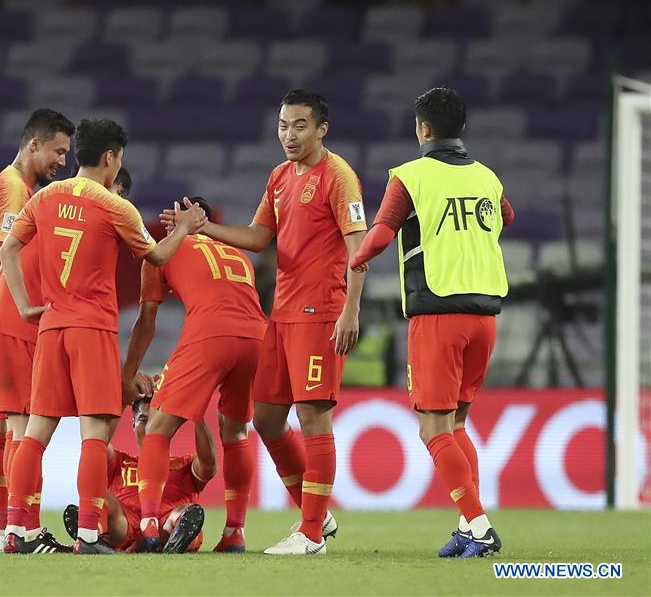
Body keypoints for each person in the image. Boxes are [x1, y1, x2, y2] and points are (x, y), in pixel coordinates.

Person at [161, 89, 368, 555]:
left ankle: (311, 532)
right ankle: (315, 512)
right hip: (282, 314)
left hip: (321, 311)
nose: (289, 135)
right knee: (268, 419)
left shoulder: (338, 178)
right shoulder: (279, 177)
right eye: (282, 125)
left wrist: (350, 310)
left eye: (299, 125)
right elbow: (258, 237)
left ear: (321, 129)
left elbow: (359, 249)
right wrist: (203, 226)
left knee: (314, 416)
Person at [0, 118, 207, 555]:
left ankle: (15, 531)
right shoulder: (116, 206)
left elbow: (8, 249)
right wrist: (185, 227)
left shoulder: (46, 196)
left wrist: (22, 305)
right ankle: (90, 535)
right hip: (91, 327)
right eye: (120, 159)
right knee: (95, 433)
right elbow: (157, 254)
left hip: (52, 325)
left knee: (35, 433)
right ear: (111, 157)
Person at [349, 87, 514, 558]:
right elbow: (507, 216)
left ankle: (479, 525)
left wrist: (358, 259)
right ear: (461, 128)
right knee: (457, 424)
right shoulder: (488, 176)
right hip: (485, 313)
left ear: (422, 128)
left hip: (439, 310)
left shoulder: (411, 176)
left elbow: (382, 230)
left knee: (432, 428)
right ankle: (469, 526)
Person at [0, 167, 134, 554]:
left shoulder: (46, 204)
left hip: (27, 323)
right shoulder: (101, 210)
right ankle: (53, 533)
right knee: (48, 429)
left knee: (25, 430)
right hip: (31, 322)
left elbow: (6, 248)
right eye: (120, 191)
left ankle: (18, 530)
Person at [122, 195, 266, 553]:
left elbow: (146, 324)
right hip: (258, 337)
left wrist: (128, 373)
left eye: (173, 216)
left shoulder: (161, 251)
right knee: (235, 430)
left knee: (156, 425)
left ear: (186, 219)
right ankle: (235, 532)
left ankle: (151, 523)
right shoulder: (237, 253)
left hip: (210, 333)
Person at [0, 108, 75, 551]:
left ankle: (4, 528)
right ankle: (17, 527)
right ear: (34, 144)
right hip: (0, 312)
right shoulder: (13, 190)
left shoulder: (14, 185)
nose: (62, 161)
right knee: (21, 426)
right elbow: (6, 253)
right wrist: (26, 309)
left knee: (0, 426)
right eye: (58, 151)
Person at [61, 397, 217, 553]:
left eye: (156, 420)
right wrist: (122, 400)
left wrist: (198, 417)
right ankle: (93, 534)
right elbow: (98, 441)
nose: (151, 427)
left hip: (166, 525)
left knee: (187, 512)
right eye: (144, 419)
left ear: (170, 425)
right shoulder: (118, 460)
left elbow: (208, 465)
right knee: (102, 497)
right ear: (133, 424)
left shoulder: (185, 464)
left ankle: (174, 543)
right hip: (124, 525)